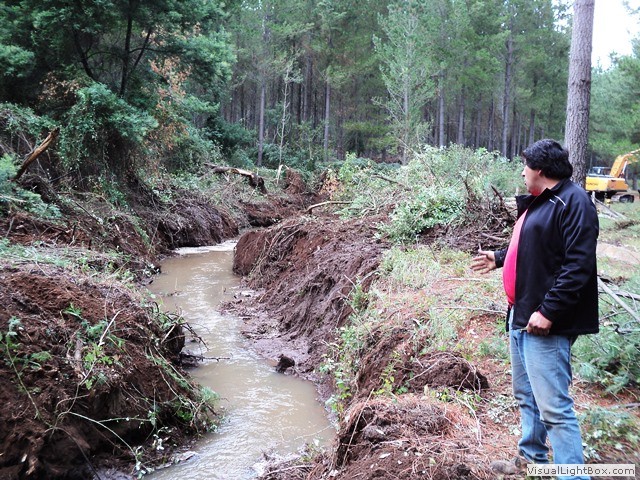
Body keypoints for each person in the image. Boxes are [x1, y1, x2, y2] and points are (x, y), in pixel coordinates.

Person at [471, 139, 599, 480]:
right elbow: (535, 247)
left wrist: (548, 312)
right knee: (526, 395)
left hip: (546, 322)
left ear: (540, 170)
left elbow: (577, 265)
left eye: (525, 166)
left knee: (553, 407)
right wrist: (500, 258)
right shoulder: (543, 201)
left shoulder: (574, 202)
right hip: (521, 312)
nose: (522, 172)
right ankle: (531, 460)